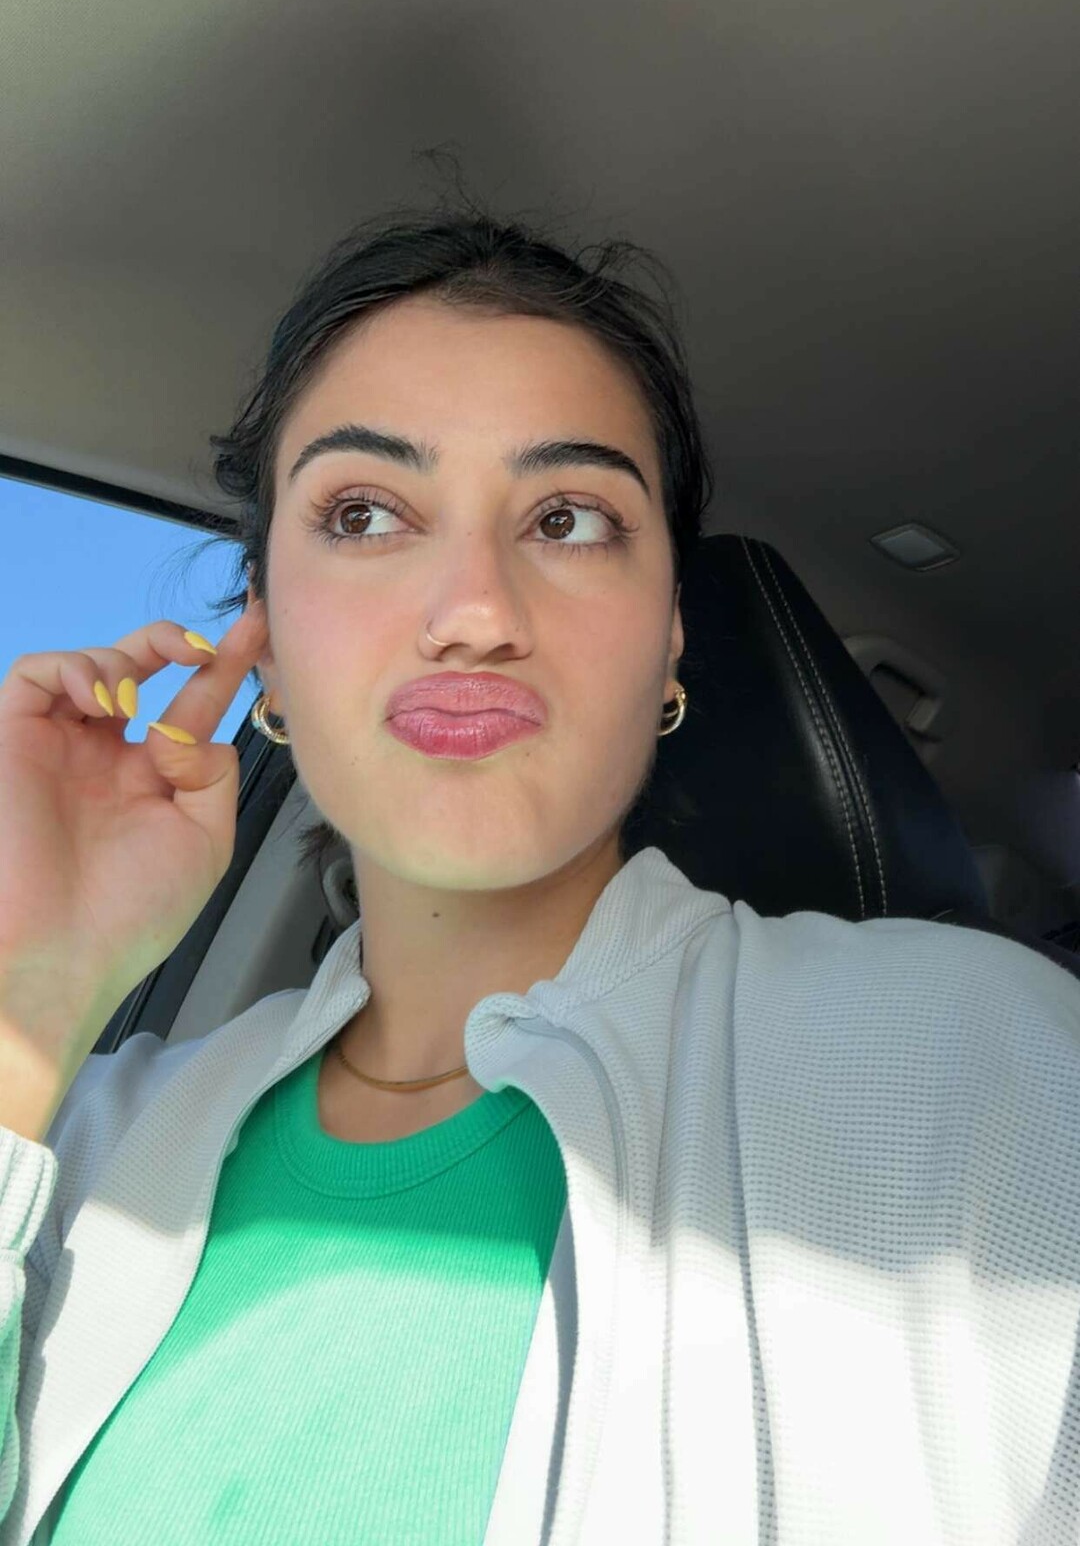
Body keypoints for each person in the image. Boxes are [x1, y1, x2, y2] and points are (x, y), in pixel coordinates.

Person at [5, 185, 1080, 1546]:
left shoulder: (979, 1062)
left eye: (569, 518)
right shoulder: (81, 1141)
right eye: (363, 514)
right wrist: (31, 999)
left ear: (669, 636)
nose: (474, 612)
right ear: (262, 636)